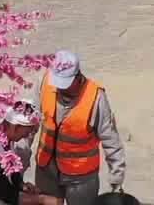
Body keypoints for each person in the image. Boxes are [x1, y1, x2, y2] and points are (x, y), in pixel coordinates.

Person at [33, 51, 125, 205]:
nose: (60, 89)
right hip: (46, 170)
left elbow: (111, 139)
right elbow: (30, 123)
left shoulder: (96, 98)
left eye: (65, 84)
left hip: (81, 177)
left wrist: (116, 176)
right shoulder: (45, 83)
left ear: (78, 77)